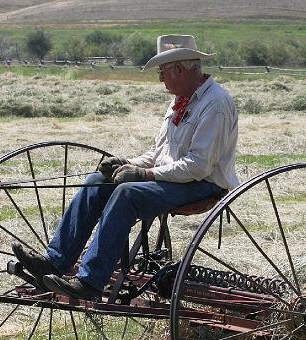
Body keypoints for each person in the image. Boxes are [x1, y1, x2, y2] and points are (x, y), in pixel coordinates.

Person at [12, 34, 239, 301]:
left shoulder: (215, 104)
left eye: (162, 72)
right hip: (174, 179)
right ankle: (55, 262)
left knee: (127, 193)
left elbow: (198, 167)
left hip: (202, 185)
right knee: (97, 181)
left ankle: (90, 282)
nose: (160, 79)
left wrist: (143, 175)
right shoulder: (181, 100)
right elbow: (158, 153)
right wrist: (127, 164)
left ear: (179, 69)